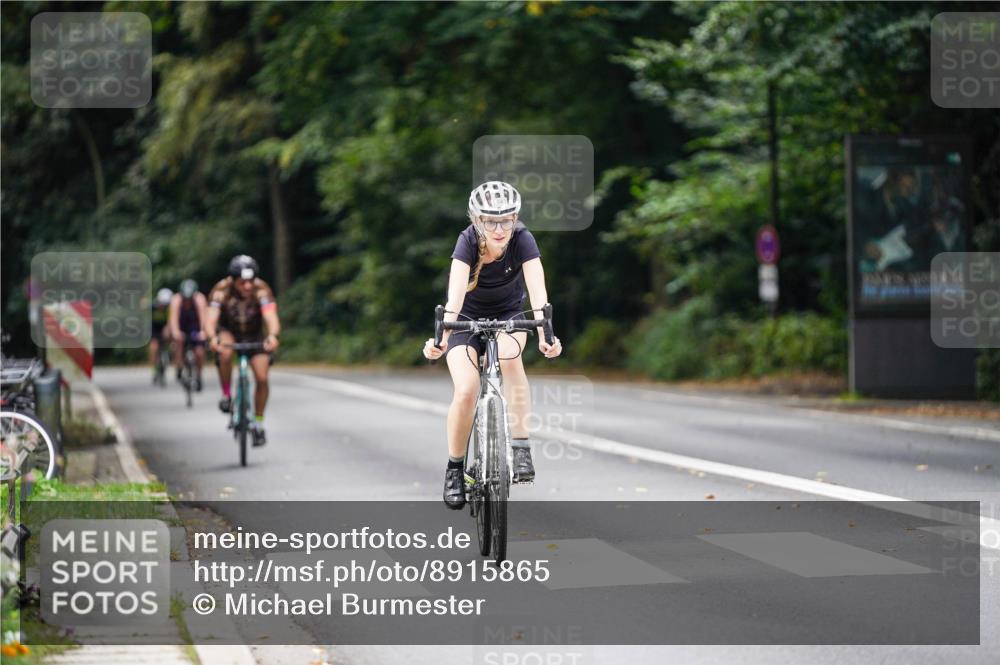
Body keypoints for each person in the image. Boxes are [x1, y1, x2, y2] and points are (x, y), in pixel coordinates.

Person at [423, 181, 562, 509]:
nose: (500, 229)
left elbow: (538, 290)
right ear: (476, 220)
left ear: (516, 218)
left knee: (511, 360)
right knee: (467, 389)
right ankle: (455, 469)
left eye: (507, 220)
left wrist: (545, 334)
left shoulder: (523, 238)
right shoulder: (467, 241)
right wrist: (441, 339)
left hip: (510, 315)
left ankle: (521, 446)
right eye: (490, 221)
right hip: (465, 319)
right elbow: (454, 297)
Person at [203, 256, 281, 447]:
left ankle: (259, 423)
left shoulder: (261, 289)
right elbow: (210, 319)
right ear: (233, 279)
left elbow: (271, 316)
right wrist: (212, 337)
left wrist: (272, 335)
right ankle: (227, 394)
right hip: (229, 331)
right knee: (225, 352)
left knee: (262, 378)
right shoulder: (221, 290)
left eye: (250, 281)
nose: (247, 286)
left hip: (254, 334)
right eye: (242, 282)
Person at [168, 279, 208, 390]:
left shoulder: (200, 299)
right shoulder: (176, 300)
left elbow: (203, 318)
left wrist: (203, 332)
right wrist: (176, 332)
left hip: (194, 326)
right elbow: (173, 319)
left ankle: (199, 375)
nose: (187, 301)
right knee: (178, 343)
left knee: (199, 352)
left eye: (189, 298)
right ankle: (179, 366)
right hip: (182, 325)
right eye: (185, 298)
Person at [149, 288, 173, 383]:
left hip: (167, 327)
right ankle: (154, 369)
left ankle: (169, 355)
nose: (163, 306)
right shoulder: (153, 306)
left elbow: (173, 321)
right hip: (154, 329)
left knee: (173, 341)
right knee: (153, 347)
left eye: (166, 304)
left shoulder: (171, 308)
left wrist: (168, 328)